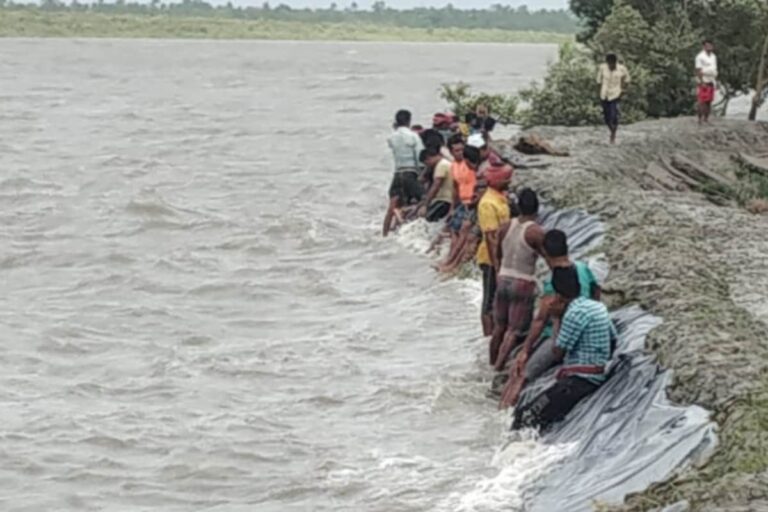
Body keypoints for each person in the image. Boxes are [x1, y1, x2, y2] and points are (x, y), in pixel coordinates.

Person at [499, 229, 601, 409]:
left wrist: (525, 350)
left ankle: (503, 412)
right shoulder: (583, 269)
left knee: (521, 375)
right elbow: (596, 291)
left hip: (556, 336)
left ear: (544, 252)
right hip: (581, 330)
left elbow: (539, 320)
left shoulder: (553, 282)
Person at [512, 265, 616, 432]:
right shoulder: (597, 307)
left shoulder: (573, 314)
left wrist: (556, 319)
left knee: (524, 416)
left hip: (579, 380)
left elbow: (557, 351)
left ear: (559, 296)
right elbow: (613, 338)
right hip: (596, 373)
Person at [490, 188, 545, 369]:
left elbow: (497, 253)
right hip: (523, 281)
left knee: (499, 327)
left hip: (503, 277)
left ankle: (491, 362)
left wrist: (499, 272)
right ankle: (498, 368)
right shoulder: (535, 232)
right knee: (513, 331)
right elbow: (548, 257)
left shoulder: (505, 226)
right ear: (536, 209)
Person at [476, 164, 513, 336]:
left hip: (504, 256)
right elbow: (491, 238)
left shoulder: (501, 198)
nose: (509, 181)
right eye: (506, 178)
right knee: (489, 301)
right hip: (491, 259)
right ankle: (487, 337)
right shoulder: (487, 204)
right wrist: (496, 265)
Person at [384, 109, 424, 237]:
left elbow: (391, 144)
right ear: (409, 121)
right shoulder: (413, 136)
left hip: (398, 173)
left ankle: (385, 232)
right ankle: (404, 218)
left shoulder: (392, 137)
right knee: (422, 200)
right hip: (411, 172)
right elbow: (419, 156)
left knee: (393, 201)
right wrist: (422, 174)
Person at [597, 53, 630, 144]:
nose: (611, 65)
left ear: (615, 62)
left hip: (615, 94)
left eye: (612, 63)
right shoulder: (602, 68)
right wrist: (599, 94)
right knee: (606, 117)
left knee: (613, 114)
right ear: (607, 62)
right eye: (609, 63)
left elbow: (627, 80)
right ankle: (611, 130)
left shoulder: (622, 69)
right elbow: (599, 81)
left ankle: (613, 135)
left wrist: (623, 90)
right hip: (604, 94)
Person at [418, 146, 454, 222]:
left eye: (426, 163)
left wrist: (425, 205)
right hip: (446, 200)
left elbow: (436, 185)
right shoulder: (445, 163)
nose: (427, 166)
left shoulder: (441, 165)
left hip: (444, 200)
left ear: (428, 158)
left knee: (426, 220)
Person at [695, 40, 718, 125]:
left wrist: (716, 80)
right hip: (703, 79)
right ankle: (700, 119)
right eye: (707, 46)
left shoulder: (713, 56)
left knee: (709, 100)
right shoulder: (700, 57)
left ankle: (706, 118)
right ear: (704, 47)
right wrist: (701, 82)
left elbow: (714, 69)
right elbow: (698, 70)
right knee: (702, 101)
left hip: (711, 79)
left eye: (711, 46)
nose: (709, 47)